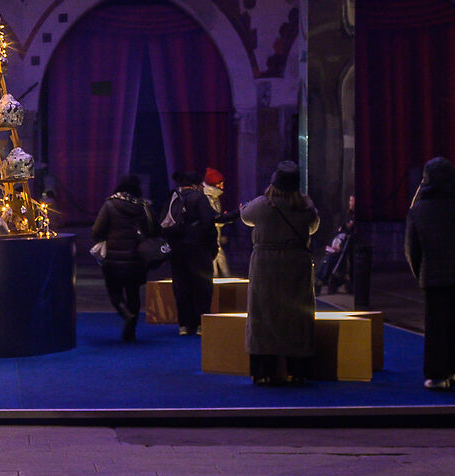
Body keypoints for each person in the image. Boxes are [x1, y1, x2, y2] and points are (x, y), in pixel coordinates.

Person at [405, 156, 455, 390]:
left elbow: (412, 249)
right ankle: (454, 372)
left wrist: (419, 274)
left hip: (433, 277)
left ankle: (436, 374)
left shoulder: (418, 210)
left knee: (435, 327)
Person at [242, 160, 321, 385]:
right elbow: (313, 227)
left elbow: (245, 217)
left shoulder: (262, 205)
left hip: (265, 264)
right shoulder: (306, 207)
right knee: (297, 315)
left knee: (262, 315)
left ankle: (263, 371)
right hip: (297, 263)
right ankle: (297, 370)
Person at [90, 176, 163, 341]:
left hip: (113, 259)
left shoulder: (110, 205)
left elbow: (97, 230)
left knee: (114, 291)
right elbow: (155, 229)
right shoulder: (144, 206)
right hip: (137, 258)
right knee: (133, 292)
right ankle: (131, 330)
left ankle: (125, 313)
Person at [164, 169, 230, 337]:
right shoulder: (199, 198)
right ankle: (201, 324)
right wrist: (212, 247)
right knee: (202, 287)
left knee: (181, 287)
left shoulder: (174, 197)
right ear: (196, 184)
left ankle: (184, 325)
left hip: (177, 250)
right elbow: (209, 223)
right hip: (198, 249)